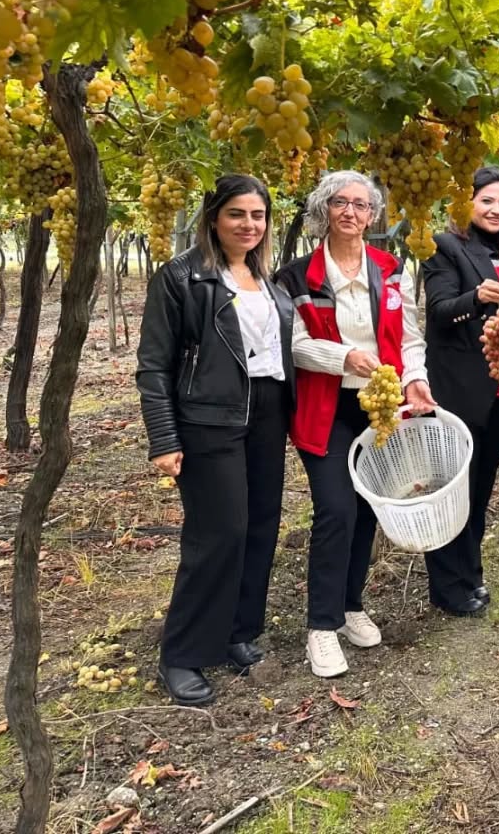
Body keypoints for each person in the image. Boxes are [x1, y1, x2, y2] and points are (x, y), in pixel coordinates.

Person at [136, 174, 294, 706]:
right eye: (237, 214)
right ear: (213, 218)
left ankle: (236, 633)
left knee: (260, 526)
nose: (249, 225)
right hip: (210, 418)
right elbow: (154, 366)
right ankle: (182, 653)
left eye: (258, 216)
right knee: (217, 533)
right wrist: (163, 436)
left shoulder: (264, 279)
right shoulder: (182, 277)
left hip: (267, 413)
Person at [276, 170, 436, 678]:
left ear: (373, 215)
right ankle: (321, 627)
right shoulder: (297, 277)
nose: (351, 212)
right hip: (326, 410)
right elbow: (295, 345)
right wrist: (345, 357)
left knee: (368, 509)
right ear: (323, 211)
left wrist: (415, 379)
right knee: (335, 511)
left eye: (361, 205)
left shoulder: (391, 270)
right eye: (340, 203)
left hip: (380, 410)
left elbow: (410, 337)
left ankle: (349, 607)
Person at [421, 167, 499, 617]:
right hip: (461, 391)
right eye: (487, 200)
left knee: (480, 487)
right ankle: (448, 586)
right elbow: (439, 311)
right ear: (466, 203)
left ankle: (470, 572)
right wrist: (477, 299)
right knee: (454, 488)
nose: (496, 209)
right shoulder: (446, 247)